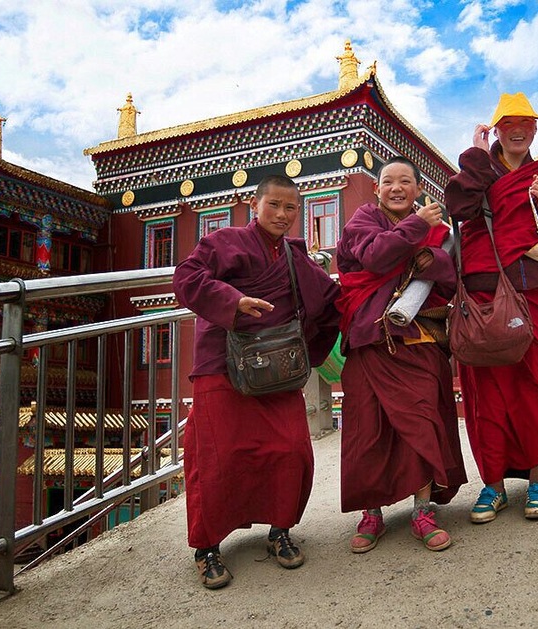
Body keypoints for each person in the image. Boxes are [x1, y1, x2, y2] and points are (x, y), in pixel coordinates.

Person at [172, 175, 340, 589]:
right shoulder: (225, 242)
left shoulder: (295, 256)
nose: (282, 215)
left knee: (291, 448)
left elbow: (329, 301)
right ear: (255, 204)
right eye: (275, 206)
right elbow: (187, 277)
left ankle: (280, 530)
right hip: (223, 362)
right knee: (217, 456)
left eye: (291, 208)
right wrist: (233, 301)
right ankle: (206, 547)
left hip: (278, 368)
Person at [444, 92, 538, 523]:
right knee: (488, 392)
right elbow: (461, 206)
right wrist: (474, 157)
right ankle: (492, 484)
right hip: (484, 292)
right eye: (508, 124)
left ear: (535, 131)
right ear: (496, 130)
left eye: (526, 125)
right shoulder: (480, 165)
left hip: (535, 289)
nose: (518, 131)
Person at [335, 156, 466, 553]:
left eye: (404, 181)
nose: (395, 187)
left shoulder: (437, 230)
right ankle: (371, 512)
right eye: (388, 181)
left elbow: (451, 274)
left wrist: (435, 257)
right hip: (371, 340)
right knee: (368, 430)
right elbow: (374, 256)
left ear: (417, 189)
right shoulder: (363, 220)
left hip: (419, 337)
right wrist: (417, 228)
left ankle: (422, 510)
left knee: (423, 421)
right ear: (376, 190)